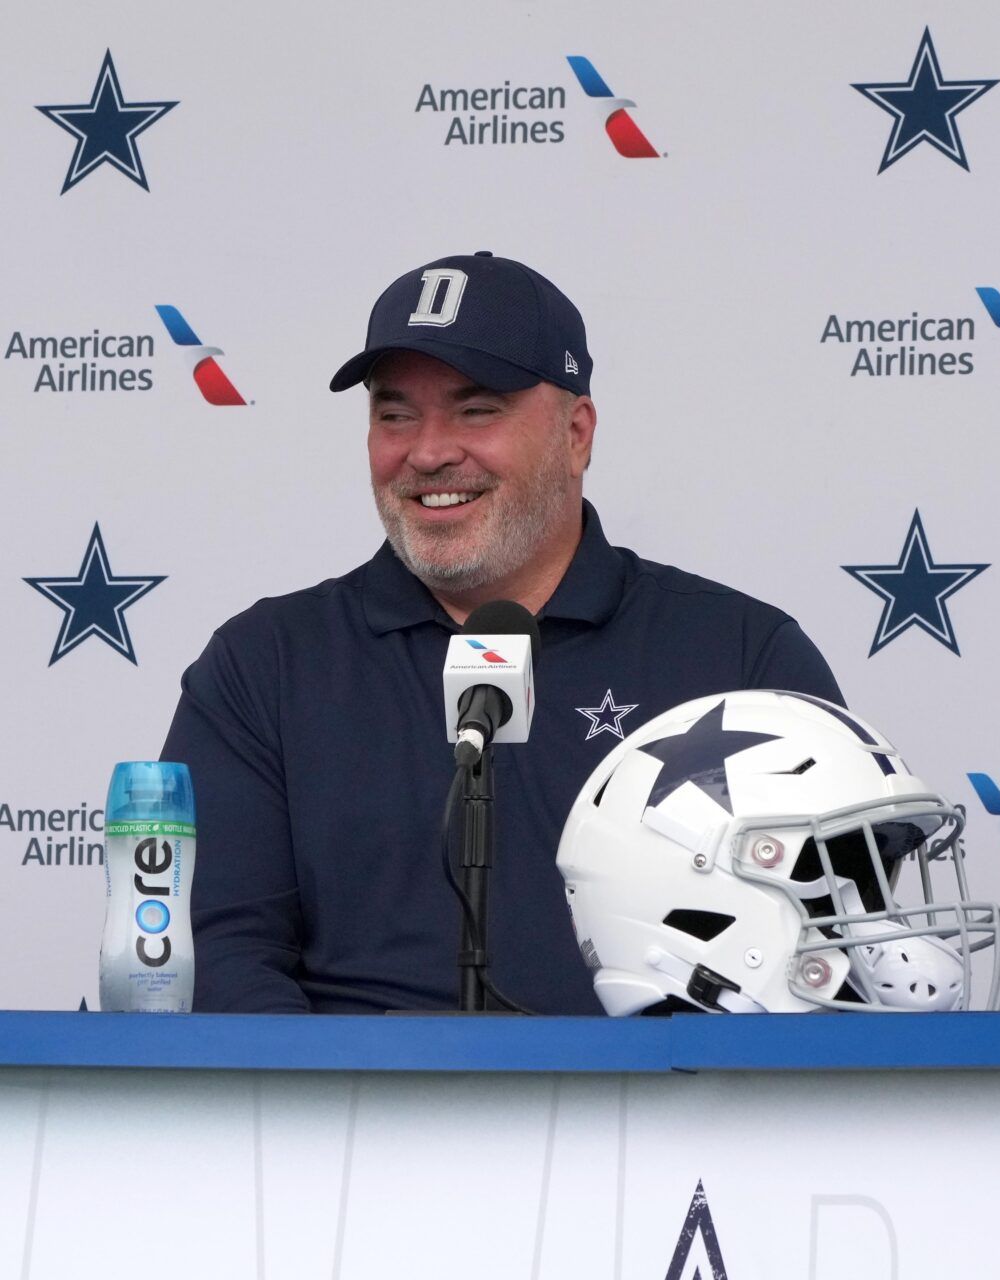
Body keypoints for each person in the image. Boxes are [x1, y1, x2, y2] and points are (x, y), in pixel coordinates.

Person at [161, 251, 843, 1014]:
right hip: (351, 1117)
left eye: (476, 409)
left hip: (664, 1115)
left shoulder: (739, 656)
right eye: (394, 414)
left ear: (577, 434)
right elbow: (215, 951)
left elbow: (818, 949)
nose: (427, 452)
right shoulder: (265, 665)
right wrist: (337, 1116)